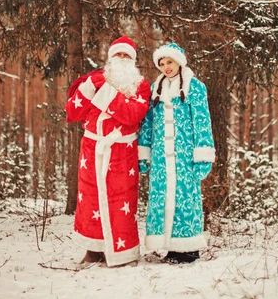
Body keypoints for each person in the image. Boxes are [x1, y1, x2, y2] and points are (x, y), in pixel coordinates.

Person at [66, 36, 151, 267]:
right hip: (93, 148)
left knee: (122, 199)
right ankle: (93, 250)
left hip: (123, 149)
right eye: (118, 55)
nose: (122, 59)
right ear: (110, 58)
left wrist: (104, 95)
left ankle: (123, 251)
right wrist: (89, 89)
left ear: (133, 60)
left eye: (127, 55)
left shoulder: (140, 85)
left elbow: (134, 114)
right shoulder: (93, 80)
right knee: (90, 199)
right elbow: (72, 113)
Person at [138, 43, 216, 264]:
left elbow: (202, 122)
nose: (166, 67)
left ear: (179, 61)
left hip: (184, 156)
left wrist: (202, 155)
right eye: (161, 64)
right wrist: (144, 154)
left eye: (169, 62)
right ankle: (169, 247)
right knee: (161, 199)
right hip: (161, 158)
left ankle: (188, 249)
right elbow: (148, 123)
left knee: (185, 199)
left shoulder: (195, 86)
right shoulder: (156, 88)